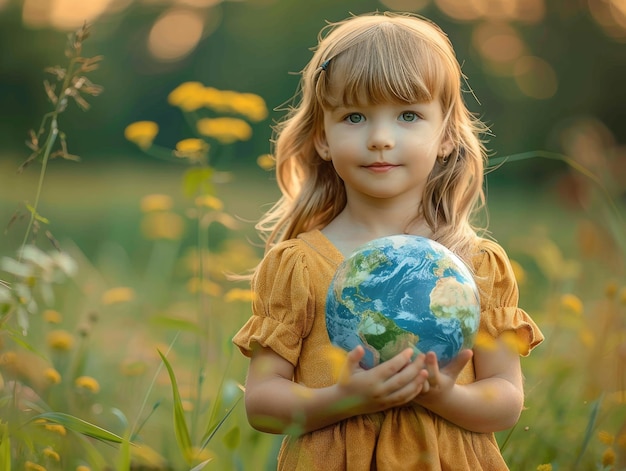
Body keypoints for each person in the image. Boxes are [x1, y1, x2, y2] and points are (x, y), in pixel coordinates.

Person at [233, 11, 544, 470]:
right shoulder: (297, 265)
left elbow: (506, 399)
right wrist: (346, 399)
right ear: (322, 137)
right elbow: (262, 403)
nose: (380, 138)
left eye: (408, 115)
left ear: (446, 136)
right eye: (354, 116)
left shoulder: (475, 266)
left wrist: (445, 396)